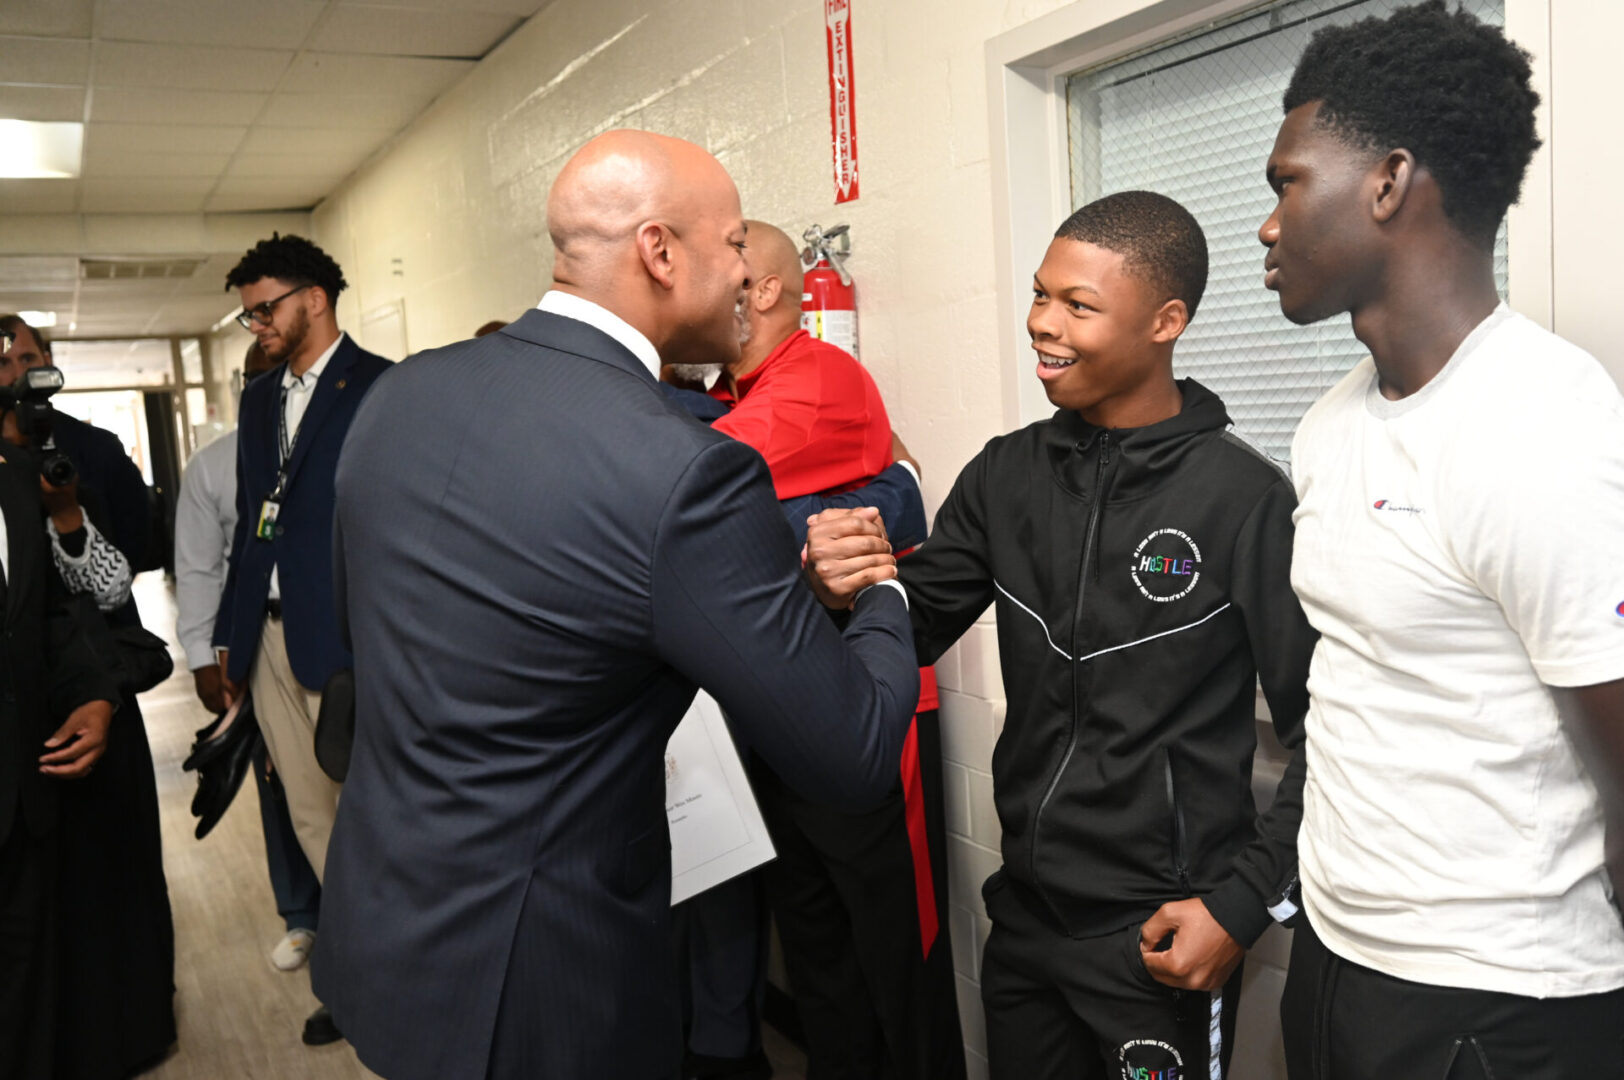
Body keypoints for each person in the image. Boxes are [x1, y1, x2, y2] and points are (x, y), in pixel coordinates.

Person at [311, 129, 920, 1080]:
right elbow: (852, 755)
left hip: (385, 928)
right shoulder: (680, 467)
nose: (747, 282)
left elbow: (445, 629)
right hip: (540, 978)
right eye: (732, 252)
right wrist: (880, 589)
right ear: (661, 252)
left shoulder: (400, 397)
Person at [808, 191, 1318, 1080]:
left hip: (1159, 935)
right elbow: (908, 629)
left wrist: (1241, 908)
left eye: (1077, 306)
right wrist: (839, 589)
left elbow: (1334, 728)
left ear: (1167, 322)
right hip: (1026, 920)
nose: (1043, 325)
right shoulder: (1007, 473)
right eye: (1040, 296)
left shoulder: (1244, 498)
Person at [1255, 5, 1624, 1076]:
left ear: (1386, 181)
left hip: (1494, 996)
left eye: (1286, 182)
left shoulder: (1540, 424)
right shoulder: (1331, 423)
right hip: (1334, 956)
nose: (1269, 226)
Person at [705, 220, 963, 1080]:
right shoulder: (732, 388)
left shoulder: (814, 379)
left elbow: (682, 484)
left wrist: (902, 491)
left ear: (765, 288)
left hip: (866, 706)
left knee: (897, 948)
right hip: (786, 711)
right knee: (816, 942)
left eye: (723, 263)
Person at [213, 234, 392, 1044]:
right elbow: (255, 520)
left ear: (314, 297)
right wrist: (229, 635)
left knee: (369, 816)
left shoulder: (382, 388)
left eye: (265, 309)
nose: (257, 326)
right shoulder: (259, 402)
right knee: (312, 821)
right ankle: (359, 979)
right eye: (248, 314)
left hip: (349, 641)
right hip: (270, 638)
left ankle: (406, 979)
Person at [3, 315, 178, 1078]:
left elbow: (118, 582)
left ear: (50, 362)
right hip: (21, 721)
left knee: (112, 877)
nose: (16, 366)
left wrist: (65, 516)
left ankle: (125, 1028)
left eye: (28, 354)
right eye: (3, 356)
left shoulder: (87, 451)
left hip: (98, 694)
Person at [175, 341, 322, 971]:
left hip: (332, 638)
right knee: (278, 781)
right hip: (259, 638)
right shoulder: (212, 468)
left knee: (344, 784)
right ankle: (303, 918)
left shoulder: (329, 451)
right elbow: (199, 568)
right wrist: (205, 657)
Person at [0, 372, 122, 1079]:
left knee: (24, 990)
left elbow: (45, 613)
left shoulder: (20, 475)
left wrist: (91, 693)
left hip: (23, 791)